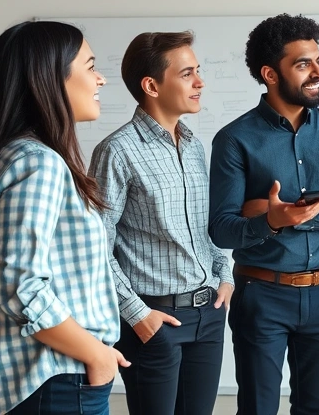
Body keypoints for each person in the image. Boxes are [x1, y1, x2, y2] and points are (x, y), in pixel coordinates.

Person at [0, 21, 124, 415]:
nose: (101, 79)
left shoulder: (10, 156)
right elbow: (23, 288)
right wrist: (97, 355)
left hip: (38, 381)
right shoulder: (39, 164)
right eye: (90, 67)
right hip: (55, 379)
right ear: (50, 79)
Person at [208, 13, 319, 415]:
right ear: (270, 73)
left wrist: (286, 215)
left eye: (318, 61)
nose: (317, 72)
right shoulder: (234, 139)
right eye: (303, 64)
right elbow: (224, 230)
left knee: (314, 408)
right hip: (261, 295)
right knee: (258, 408)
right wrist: (270, 220)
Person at [89, 31, 233, 415]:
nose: (200, 82)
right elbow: (95, 248)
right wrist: (138, 315)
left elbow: (205, 226)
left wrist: (226, 274)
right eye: (187, 74)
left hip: (209, 315)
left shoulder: (194, 146)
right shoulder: (116, 152)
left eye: (198, 71)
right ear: (151, 85)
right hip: (155, 320)